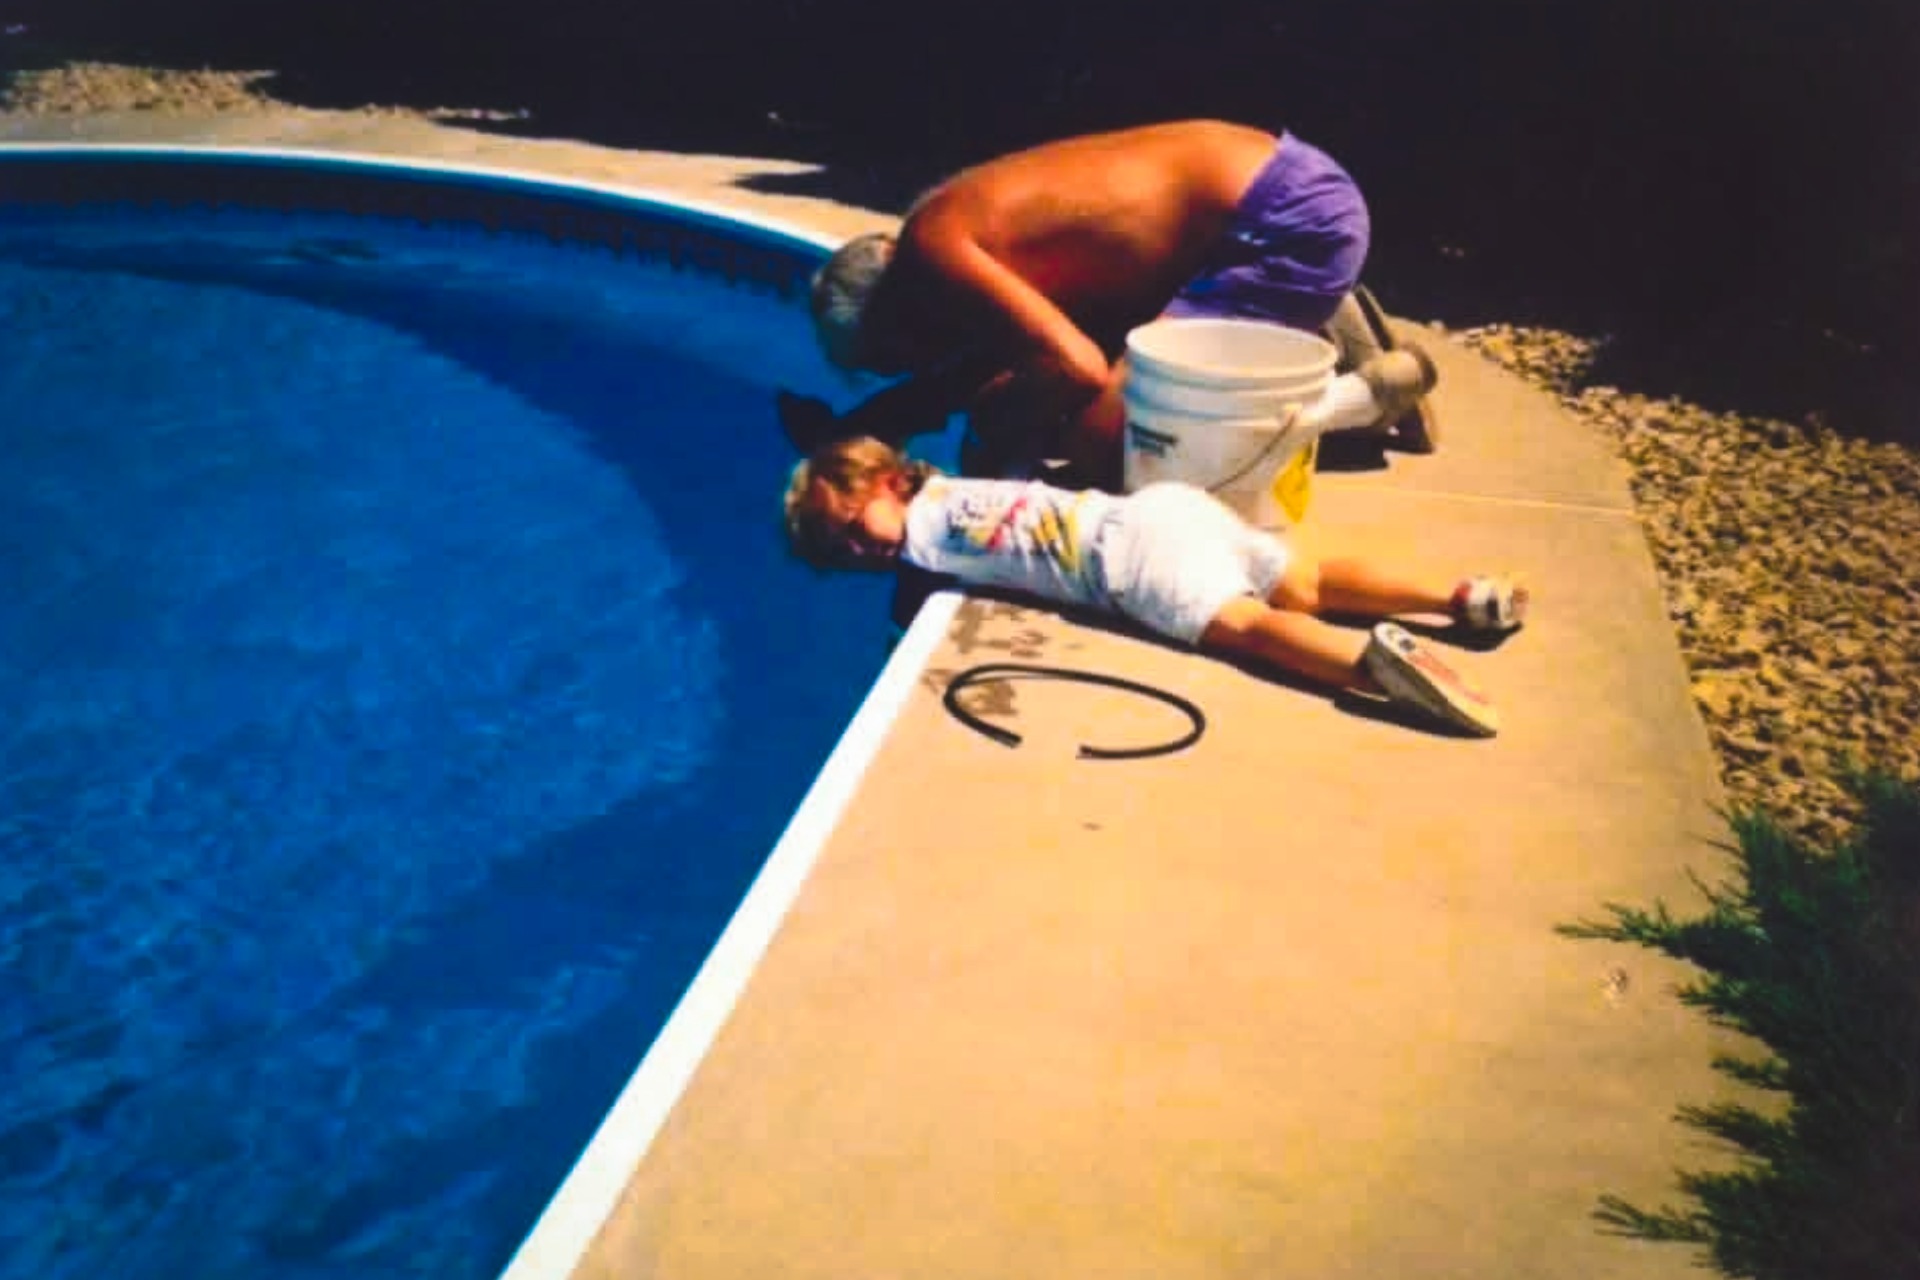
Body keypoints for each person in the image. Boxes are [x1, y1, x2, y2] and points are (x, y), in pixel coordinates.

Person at [777, 120, 1438, 487]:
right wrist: (867, 425)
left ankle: (1367, 397)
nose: (920, 362)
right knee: (1050, 382)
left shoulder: (935, 253)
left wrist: (993, 428)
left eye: (898, 357)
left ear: (896, 320)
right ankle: (1334, 318)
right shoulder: (936, 225)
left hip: (1282, 231)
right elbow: (971, 369)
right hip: (1278, 189)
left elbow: (1076, 368)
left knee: (1112, 451)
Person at [783, 437, 1526, 736]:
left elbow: (911, 601)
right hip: (1160, 509)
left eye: (854, 527)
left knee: (1249, 629)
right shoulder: (956, 487)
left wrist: (892, 648)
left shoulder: (921, 540)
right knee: (1306, 579)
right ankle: (1459, 597)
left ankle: (1376, 668)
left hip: (1127, 564)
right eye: (844, 550)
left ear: (889, 482)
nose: (860, 549)